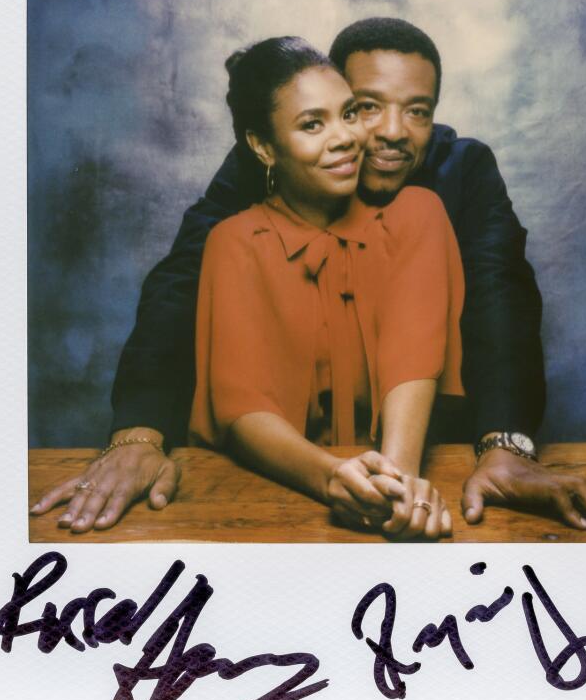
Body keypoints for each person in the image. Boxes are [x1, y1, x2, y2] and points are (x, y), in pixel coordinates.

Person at [32, 17, 586, 534]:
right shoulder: (257, 186)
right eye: (367, 106)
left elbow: (501, 291)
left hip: (417, 454)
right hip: (281, 475)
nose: (390, 133)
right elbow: (181, 283)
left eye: (418, 111)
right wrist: (138, 435)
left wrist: (503, 446)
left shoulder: (454, 175)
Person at [188, 37, 464, 540]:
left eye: (349, 114)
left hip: (393, 488)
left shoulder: (415, 214)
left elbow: (414, 356)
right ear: (263, 146)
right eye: (313, 125)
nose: (345, 138)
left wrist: (393, 488)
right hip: (276, 501)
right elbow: (241, 406)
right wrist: (331, 478)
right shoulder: (233, 243)